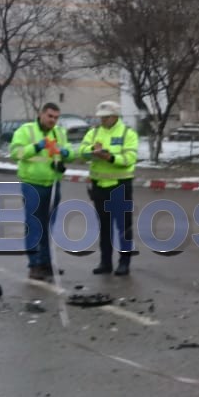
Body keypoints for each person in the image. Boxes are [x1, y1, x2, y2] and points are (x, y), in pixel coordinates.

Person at [9, 102, 69, 282]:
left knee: (48, 225)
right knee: (34, 225)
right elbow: (15, 153)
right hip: (32, 184)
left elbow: (69, 153)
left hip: (53, 184)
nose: (53, 120)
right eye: (50, 116)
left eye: (56, 117)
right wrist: (37, 146)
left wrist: (65, 154)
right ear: (41, 114)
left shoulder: (59, 133)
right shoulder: (26, 131)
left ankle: (46, 262)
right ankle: (34, 265)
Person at [80, 100, 139, 275]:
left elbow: (130, 158)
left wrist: (110, 157)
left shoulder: (127, 133)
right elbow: (81, 152)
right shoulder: (94, 132)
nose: (103, 120)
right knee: (104, 226)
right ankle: (105, 262)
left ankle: (124, 262)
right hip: (99, 186)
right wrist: (92, 150)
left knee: (123, 226)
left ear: (115, 116)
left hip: (120, 185)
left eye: (106, 117)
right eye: (101, 117)